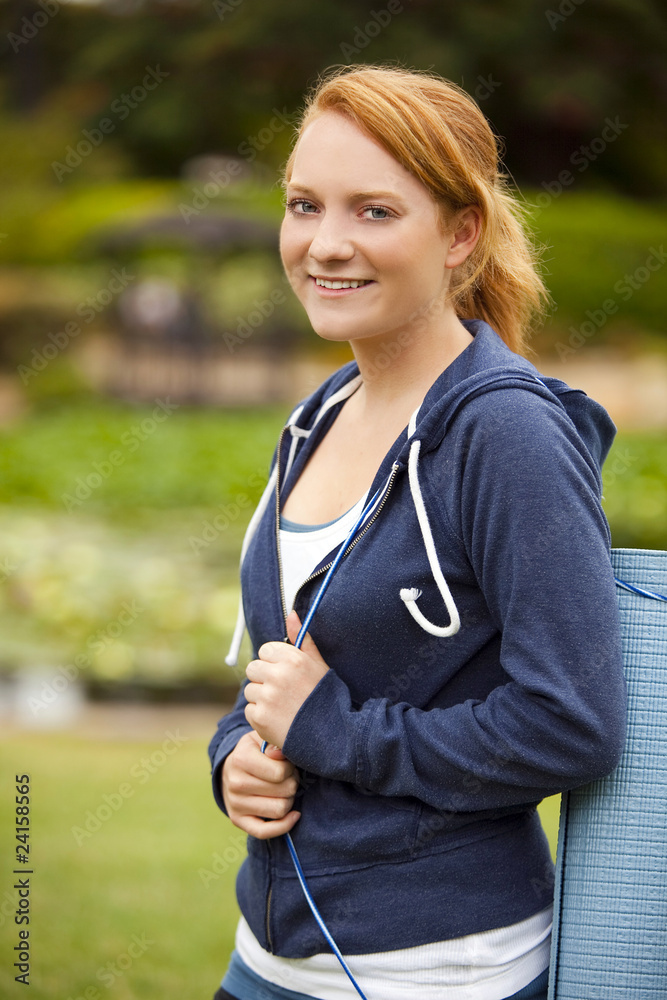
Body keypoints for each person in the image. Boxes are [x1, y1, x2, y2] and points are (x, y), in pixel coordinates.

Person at [208, 64, 627, 1000]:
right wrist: (235, 757)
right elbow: (292, 666)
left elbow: (572, 723)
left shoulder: (504, 434)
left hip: (439, 969)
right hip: (271, 951)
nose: (324, 244)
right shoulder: (323, 412)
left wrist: (338, 734)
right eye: (304, 204)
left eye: (374, 212)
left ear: (460, 233)